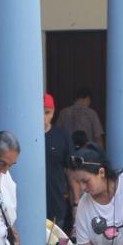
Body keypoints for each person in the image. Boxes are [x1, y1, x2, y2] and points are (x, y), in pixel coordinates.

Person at [44, 93, 72, 226]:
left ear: (53, 112)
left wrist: (76, 202)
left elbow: (71, 171)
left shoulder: (62, 136)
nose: (42, 117)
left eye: (47, 112)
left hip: (56, 204)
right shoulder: (23, 136)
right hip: (27, 205)